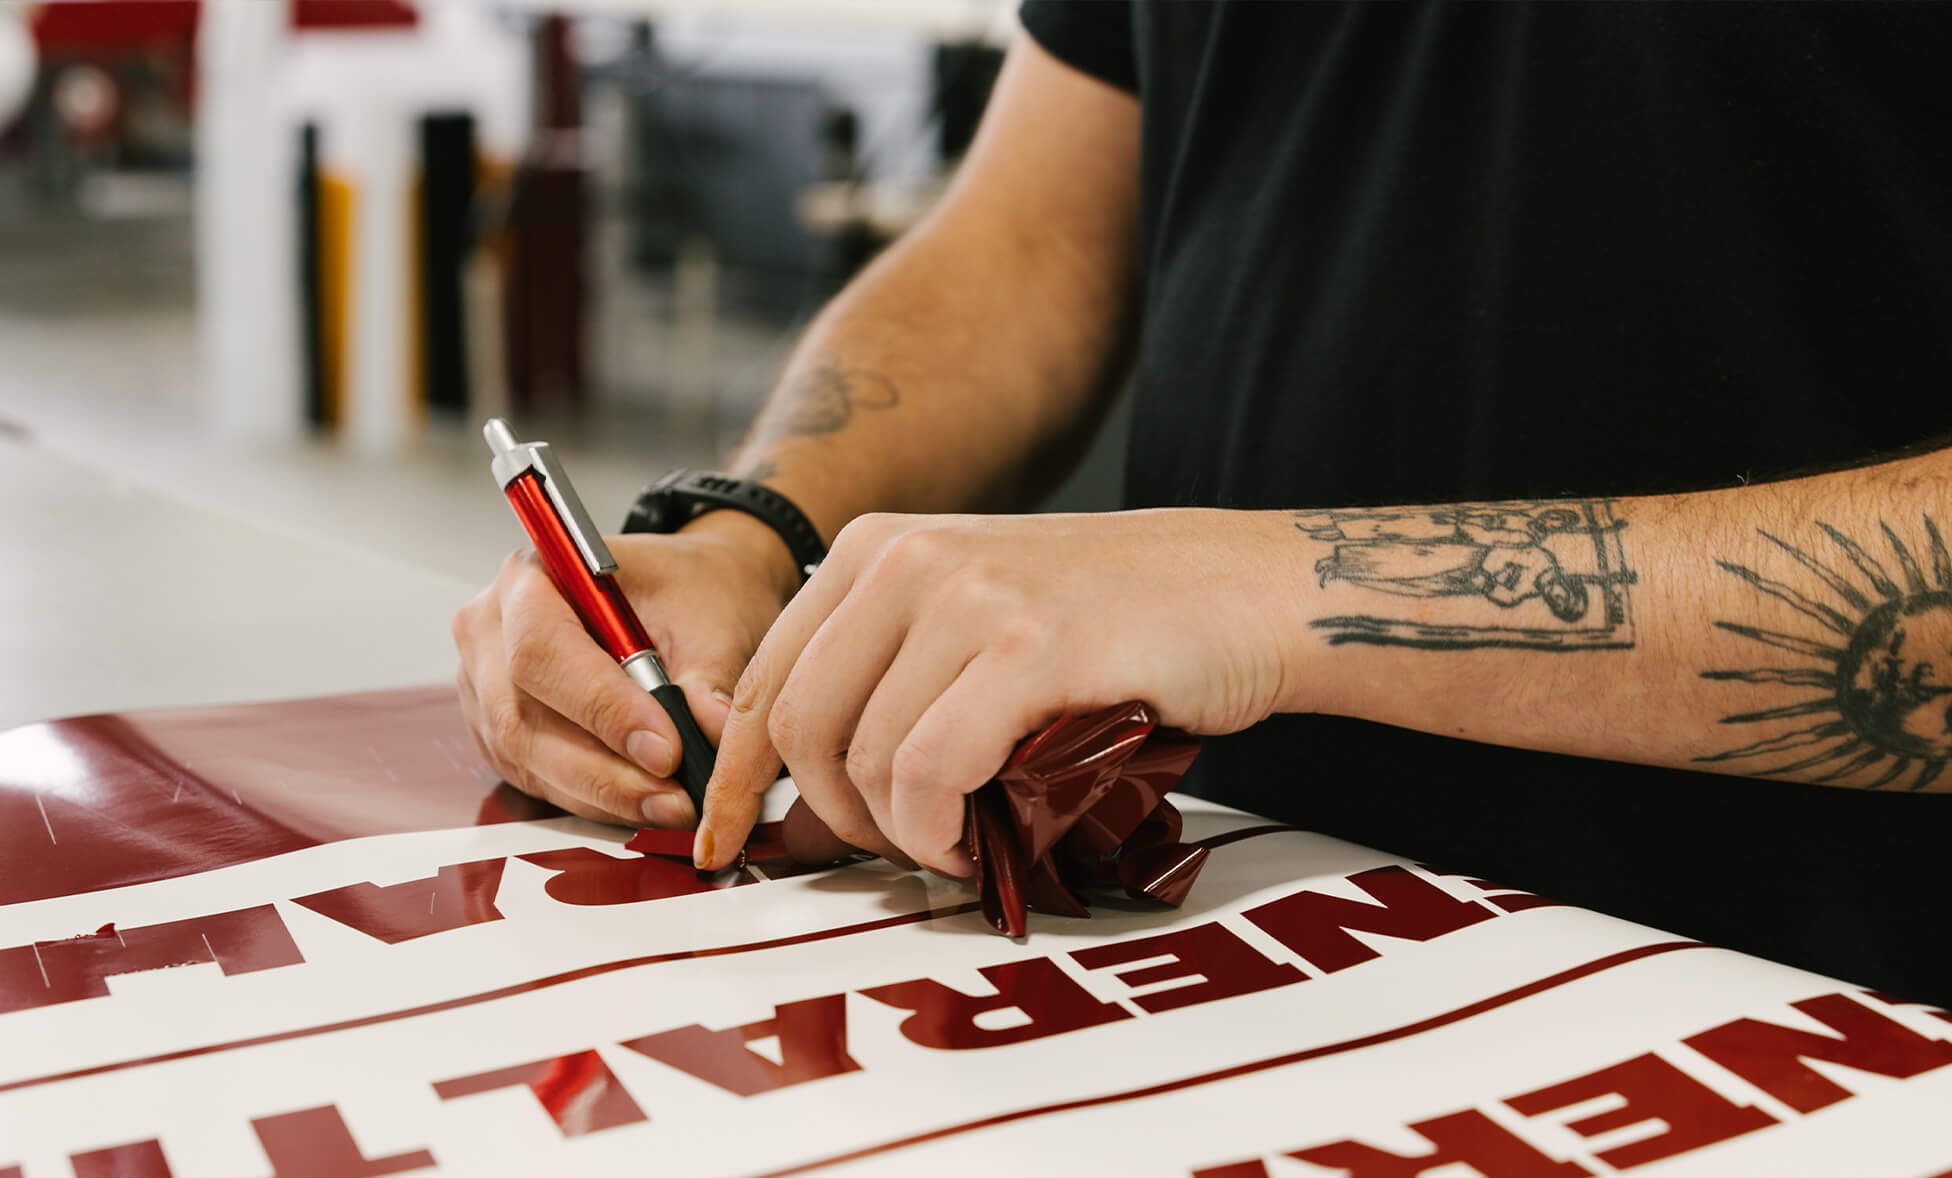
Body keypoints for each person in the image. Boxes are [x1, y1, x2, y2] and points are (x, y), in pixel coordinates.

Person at [452, 3, 1952, 1001]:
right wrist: (757, 530)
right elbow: (1031, 244)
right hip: (1221, 954)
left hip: (1811, 1022)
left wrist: (1276, 594)